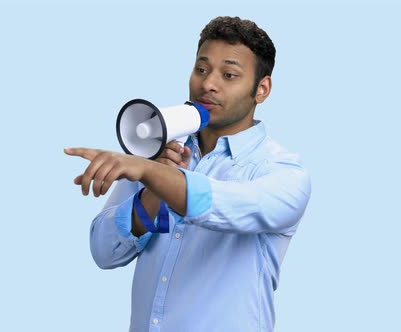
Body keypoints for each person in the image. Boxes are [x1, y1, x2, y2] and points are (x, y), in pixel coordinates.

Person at [65, 16, 311, 332]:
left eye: (229, 74)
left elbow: (219, 203)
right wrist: (153, 188)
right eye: (201, 69)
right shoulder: (160, 155)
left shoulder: (283, 173)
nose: (208, 84)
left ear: (261, 89)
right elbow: (104, 252)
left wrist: (151, 173)